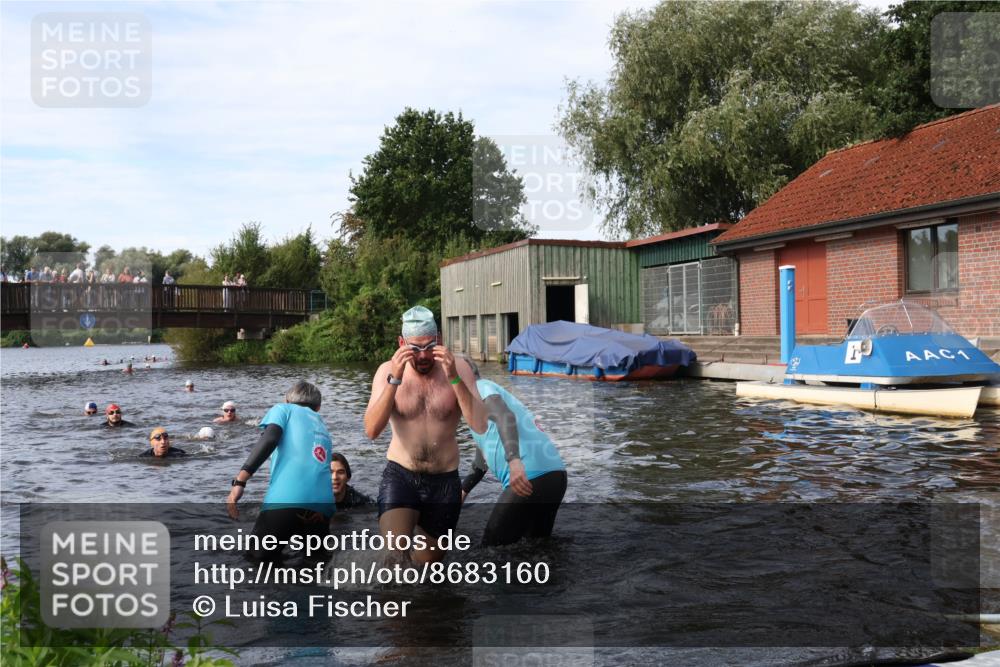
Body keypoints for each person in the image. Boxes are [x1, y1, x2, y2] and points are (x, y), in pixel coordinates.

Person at [363, 305, 487, 564]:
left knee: (428, 570)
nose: (423, 356)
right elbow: (372, 430)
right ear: (401, 343)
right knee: (394, 558)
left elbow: (480, 425)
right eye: (414, 348)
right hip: (401, 475)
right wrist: (394, 381)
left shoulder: (460, 369)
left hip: (444, 482)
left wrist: (453, 378)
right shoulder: (386, 371)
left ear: (439, 340)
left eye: (429, 347)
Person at [459, 357, 567, 546]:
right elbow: (482, 456)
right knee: (537, 548)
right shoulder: (476, 406)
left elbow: (505, 416)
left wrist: (514, 461)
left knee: (492, 548)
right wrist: (463, 491)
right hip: (554, 476)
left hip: (530, 476)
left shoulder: (479, 388)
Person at [227, 381, 335, 562]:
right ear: (318, 407)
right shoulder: (322, 424)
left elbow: (269, 440)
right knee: (315, 565)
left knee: (257, 560)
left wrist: (240, 481)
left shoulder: (283, 410)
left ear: (287, 400)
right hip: (323, 505)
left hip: (286, 498)